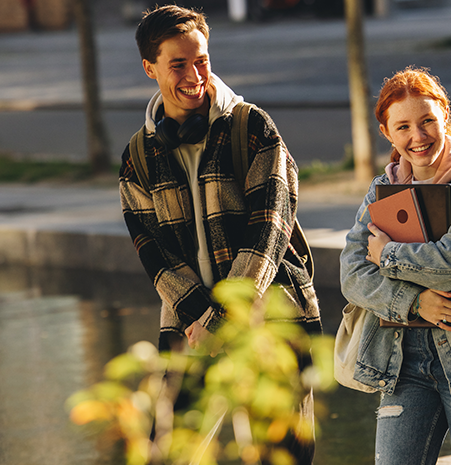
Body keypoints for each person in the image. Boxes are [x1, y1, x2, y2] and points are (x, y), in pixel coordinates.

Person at [119, 5, 318, 461]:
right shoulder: (138, 158)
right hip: (188, 328)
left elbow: (270, 228)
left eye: (202, 60)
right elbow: (155, 254)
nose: (195, 75)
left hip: (271, 324)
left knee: (284, 456)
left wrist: (223, 321)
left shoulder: (253, 127)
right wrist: (201, 321)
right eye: (178, 64)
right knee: (165, 453)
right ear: (150, 68)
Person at [339, 67, 451, 465]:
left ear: (444, 114)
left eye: (427, 122)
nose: (418, 137)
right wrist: (413, 302)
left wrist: (387, 255)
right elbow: (352, 274)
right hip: (402, 362)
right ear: (387, 134)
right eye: (402, 127)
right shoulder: (382, 188)